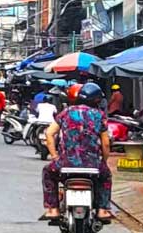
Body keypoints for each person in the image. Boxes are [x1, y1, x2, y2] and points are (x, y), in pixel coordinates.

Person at [40, 82, 113, 222]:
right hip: (93, 164)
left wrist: (55, 156)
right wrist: (103, 161)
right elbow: (106, 143)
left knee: (48, 172)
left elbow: (49, 133)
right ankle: (103, 210)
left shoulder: (66, 112)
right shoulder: (99, 115)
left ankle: (53, 209)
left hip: (65, 163)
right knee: (106, 176)